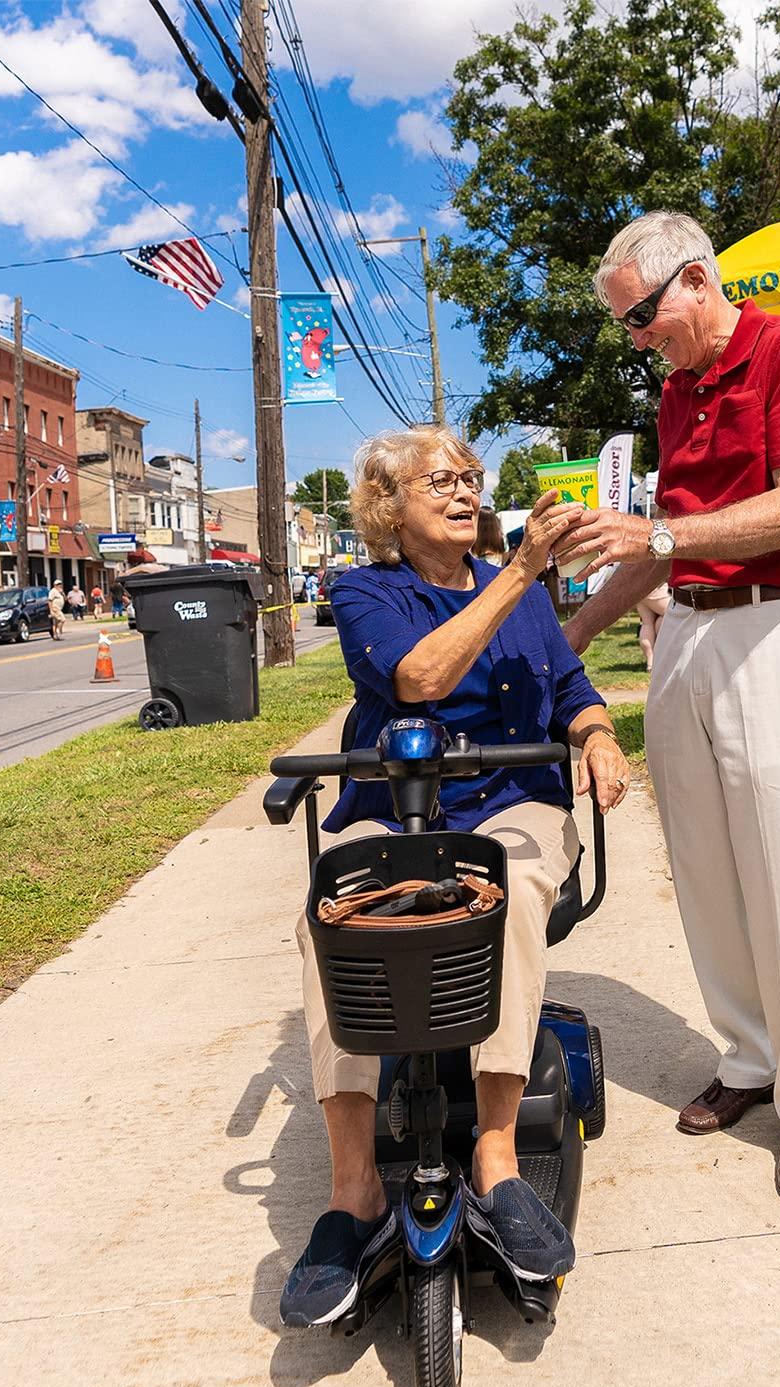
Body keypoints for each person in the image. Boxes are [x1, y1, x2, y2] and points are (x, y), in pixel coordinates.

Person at [280, 423, 633, 1329]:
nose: (465, 489)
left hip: (511, 797)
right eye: (440, 480)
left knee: (505, 892)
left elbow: (570, 688)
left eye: (471, 477)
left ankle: (500, 1160)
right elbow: (418, 679)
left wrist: (594, 733)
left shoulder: (521, 601)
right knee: (335, 918)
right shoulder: (365, 590)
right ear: (387, 505)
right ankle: (354, 1188)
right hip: (395, 805)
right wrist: (520, 571)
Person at [560, 209, 780, 1207]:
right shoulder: (678, 391)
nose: (637, 339)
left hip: (776, 630)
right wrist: (552, 645)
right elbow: (653, 550)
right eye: (627, 325)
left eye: (641, 315)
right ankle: (748, 1057)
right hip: (687, 629)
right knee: (704, 865)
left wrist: (663, 538)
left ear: (694, 279)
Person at [636, 578, 670, 671]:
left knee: (647, 623)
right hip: (658, 586)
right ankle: (661, 658)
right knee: (669, 615)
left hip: (638, 588)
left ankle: (650, 662)